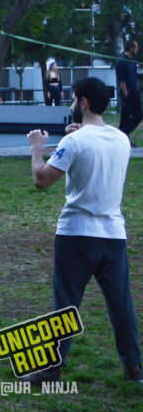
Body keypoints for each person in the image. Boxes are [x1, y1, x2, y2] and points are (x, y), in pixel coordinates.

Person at [25, 77, 143, 385]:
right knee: (120, 304)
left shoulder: (74, 142)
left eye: (75, 99)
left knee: (65, 305)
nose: (73, 104)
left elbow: (41, 180)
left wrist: (37, 148)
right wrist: (76, 139)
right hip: (113, 236)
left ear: (85, 103)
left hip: (76, 234)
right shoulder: (121, 140)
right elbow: (95, 152)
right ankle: (133, 367)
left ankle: (51, 368)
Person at [116, 39, 141, 138]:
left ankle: (122, 134)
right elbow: (121, 79)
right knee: (125, 117)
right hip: (127, 93)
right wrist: (125, 92)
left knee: (139, 115)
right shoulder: (122, 61)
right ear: (131, 48)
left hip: (134, 92)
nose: (137, 49)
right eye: (136, 47)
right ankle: (122, 137)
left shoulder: (132, 60)